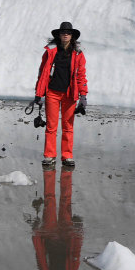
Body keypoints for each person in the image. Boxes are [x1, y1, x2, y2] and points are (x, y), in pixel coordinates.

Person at [34, 22, 88, 166]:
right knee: (51, 126)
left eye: (68, 32)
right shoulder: (50, 52)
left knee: (68, 127)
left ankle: (67, 156)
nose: (65, 34)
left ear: (72, 36)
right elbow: (43, 74)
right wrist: (38, 95)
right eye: (63, 32)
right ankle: (49, 155)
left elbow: (81, 75)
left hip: (70, 95)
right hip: (52, 92)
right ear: (59, 35)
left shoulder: (78, 54)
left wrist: (83, 96)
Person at [31, 166, 83, 270]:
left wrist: (36, 234)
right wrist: (78, 232)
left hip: (49, 234)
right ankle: (66, 173)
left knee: (50, 201)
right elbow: (76, 252)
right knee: (65, 201)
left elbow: (40, 253)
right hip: (67, 235)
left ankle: (49, 172)